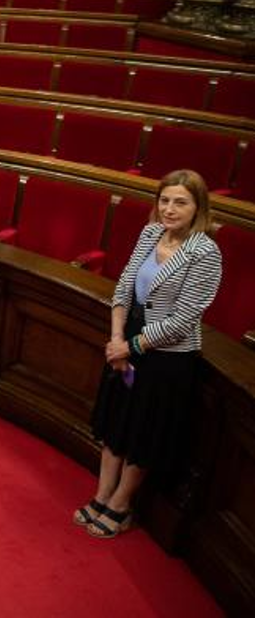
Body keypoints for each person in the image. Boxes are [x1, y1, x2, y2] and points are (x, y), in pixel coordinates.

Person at [75, 170, 223, 538]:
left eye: (180, 202)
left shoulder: (205, 252)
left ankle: (121, 505)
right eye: (165, 200)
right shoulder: (149, 233)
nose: (170, 209)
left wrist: (132, 346)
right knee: (115, 424)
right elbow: (124, 286)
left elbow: (184, 318)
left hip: (167, 357)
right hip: (124, 342)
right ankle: (102, 494)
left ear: (198, 207)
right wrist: (115, 338)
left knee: (142, 432)